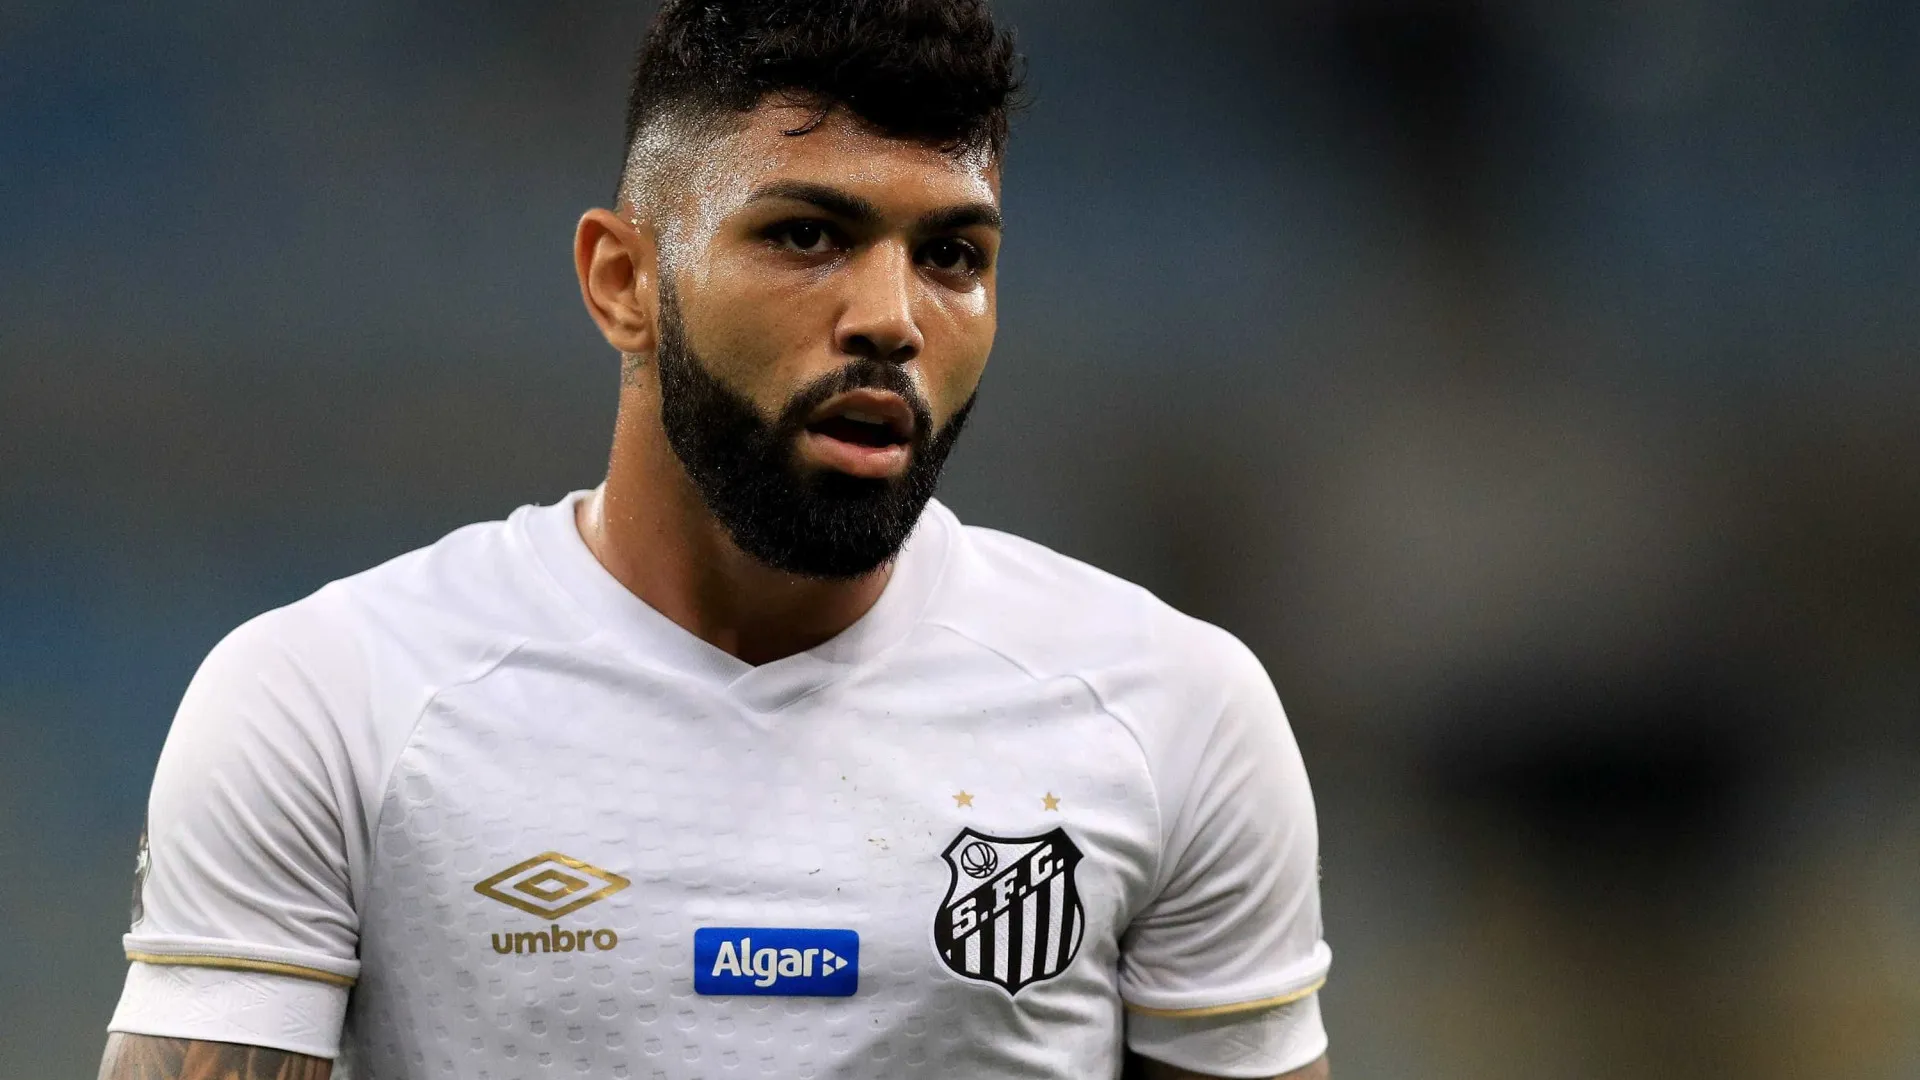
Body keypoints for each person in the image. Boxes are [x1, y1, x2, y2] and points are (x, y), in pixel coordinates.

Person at [97, 2, 1331, 1077]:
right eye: (806, 236)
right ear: (622, 281)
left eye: (953, 256)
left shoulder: (1173, 714)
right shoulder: (328, 703)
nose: (892, 318)